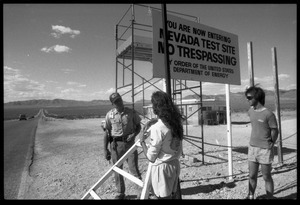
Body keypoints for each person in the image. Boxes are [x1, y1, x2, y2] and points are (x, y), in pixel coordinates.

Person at [139, 91, 184, 199]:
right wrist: (154, 121)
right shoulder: (177, 122)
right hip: (174, 164)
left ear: (156, 107)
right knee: (173, 196)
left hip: (162, 169)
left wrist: (142, 142)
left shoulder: (157, 128)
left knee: (163, 197)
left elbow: (151, 157)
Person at [103, 92, 142, 200]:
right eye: (116, 102)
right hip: (116, 146)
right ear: (113, 104)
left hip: (130, 145)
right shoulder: (109, 115)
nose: (118, 103)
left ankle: (141, 192)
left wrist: (134, 134)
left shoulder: (131, 112)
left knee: (133, 168)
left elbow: (138, 126)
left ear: (121, 99)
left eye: (119, 100)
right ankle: (120, 193)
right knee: (117, 169)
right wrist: (105, 149)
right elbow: (107, 133)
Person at [244, 86, 278, 200]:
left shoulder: (269, 114)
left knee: (266, 176)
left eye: (249, 97)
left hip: (265, 149)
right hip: (252, 148)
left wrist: (272, 142)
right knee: (252, 175)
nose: (247, 99)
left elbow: (274, 130)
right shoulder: (250, 111)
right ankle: (250, 196)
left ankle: (269, 197)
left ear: (257, 97)